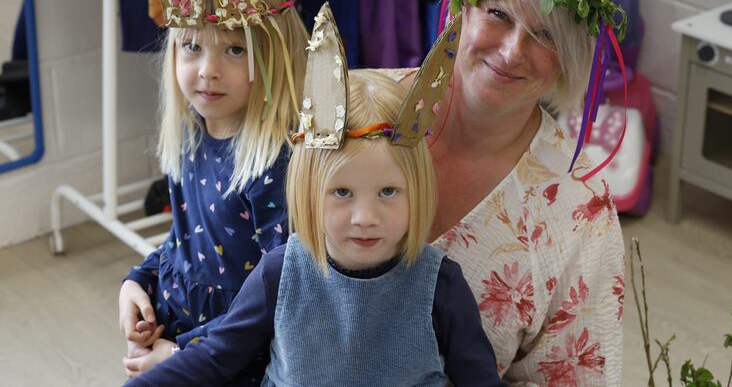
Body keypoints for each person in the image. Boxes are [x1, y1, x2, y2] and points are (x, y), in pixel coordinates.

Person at [127, 70, 506, 387]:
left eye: (388, 192)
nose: (365, 217)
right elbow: (216, 356)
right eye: (342, 192)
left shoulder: (440, 284)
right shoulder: (280, 273)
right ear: (310, 192)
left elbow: (481, 382)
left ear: (417, 190)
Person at [396, 0, 627, 385]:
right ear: (464, 6)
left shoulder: (579, 212)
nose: (511, 52)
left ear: (571, 56)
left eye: (545, 35)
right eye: (499, 15)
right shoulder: (363, 112)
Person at [119, 0, 308, 381]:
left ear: (276, 53)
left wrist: (182, 355)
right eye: (192, 46)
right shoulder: (192, 136)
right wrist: (138, 281)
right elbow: (187, 241)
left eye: (235, 49)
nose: (208, 70)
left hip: (231, 361)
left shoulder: (275, 164)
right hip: (177, 332)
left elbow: (279, 297)